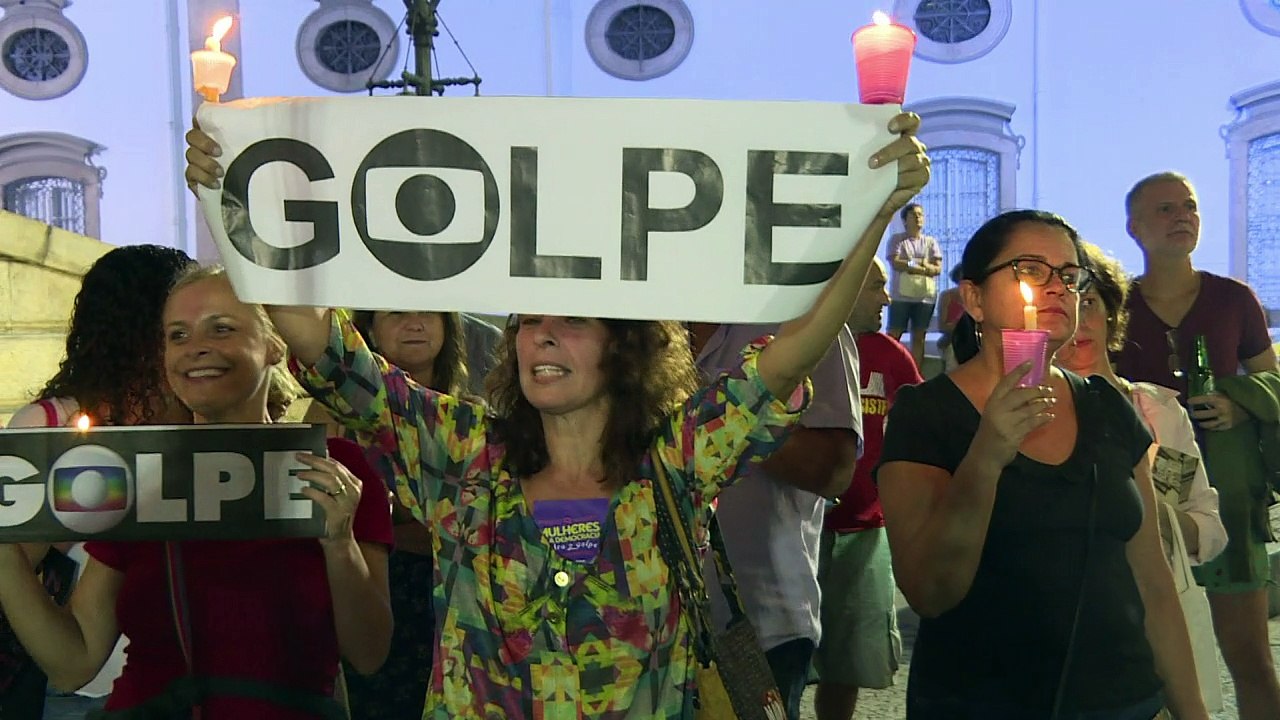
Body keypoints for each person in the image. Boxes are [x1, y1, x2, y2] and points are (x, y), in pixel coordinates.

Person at [184, 111, 930, 717]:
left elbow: (794, 354)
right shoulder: (464, 453)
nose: (539, 333)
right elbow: (317, 337)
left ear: (626, 348)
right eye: (528, 320)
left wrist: (878, 211)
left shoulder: (675, 460)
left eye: (569, 319)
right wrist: (231, 197)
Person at [0, 266, 394, 719]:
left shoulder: (336, 466)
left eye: (222, 328)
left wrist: (339, 545)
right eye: (177, 335)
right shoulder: (137, 471)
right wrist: (6, 554)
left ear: (274, 345)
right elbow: (75, 662)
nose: (196, 349)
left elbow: (369, 654)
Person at [877, 209, 1208, 719]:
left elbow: (1153, 583)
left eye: (1069, 274)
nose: (1056, 287)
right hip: (982, 704)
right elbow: (929, 591)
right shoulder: (927, 415)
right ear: (974, 299)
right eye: (1030, 269)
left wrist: (1193, 713)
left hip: (1125, 700)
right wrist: (986, 455)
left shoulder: (1106, 406)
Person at [1, 244, 195, 719]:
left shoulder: (198, 415)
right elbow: (16, 559)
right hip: (72, 680)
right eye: (177, 322)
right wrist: (77, 493)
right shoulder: (51, 425)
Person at [1114, 171, 1280, 720]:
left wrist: (1238, 400)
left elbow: (1274, 382)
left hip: (1230, 494)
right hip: (1149, 506)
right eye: (1164, 209)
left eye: (1189, 206)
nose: (1182, 214)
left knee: (1250, 657)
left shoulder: (1234, 299)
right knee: (1149, 659)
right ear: (1136, 228)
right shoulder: (1116, 307)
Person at [1057, 241, 1227, 710]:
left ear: (1113, 314)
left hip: (1159, 627)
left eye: (1088, 303)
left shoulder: (1159, 412)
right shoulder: (1032, 416)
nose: (1077, 322)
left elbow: (1210, 528)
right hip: (1070, 641)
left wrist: (1153, 514)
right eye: (1064, 305)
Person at [687, 314, 860, 720]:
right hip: (631, 626)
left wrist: (716, 409)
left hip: (760, 628)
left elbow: (833, 471)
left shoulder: (806, 323)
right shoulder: (631, 319)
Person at [342, 309, 469, 720]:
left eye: (428, 312)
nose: (415, 323)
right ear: (370, 331)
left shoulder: (474, 422)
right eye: (397, 313)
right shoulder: (335, 421)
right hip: (366, 597)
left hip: (452, 606)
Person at [813, 257, 919, 720]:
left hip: (866, 529)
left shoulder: (891, 355)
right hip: (801, 528)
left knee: (850, 659)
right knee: (783, 653)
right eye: (876, 286)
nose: (887, 297)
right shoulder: (803, 346)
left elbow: (920, 425)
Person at [885, 203, 942, 368]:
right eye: (914, 215)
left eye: (920, 215)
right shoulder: (897, 240)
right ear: (904, 220)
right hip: (900, 297)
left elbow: (937, 268)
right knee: (894, 334)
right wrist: (920, 266)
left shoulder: (931, 242)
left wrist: (918, 268)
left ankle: (915, 374)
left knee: (919, 336)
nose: (918, 218)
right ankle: (887, 369)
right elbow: (895, 262)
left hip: (925, 298)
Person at [935, 264, 965, 372]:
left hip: (973, 340)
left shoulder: (978, 297)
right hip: (951, 339)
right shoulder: (947, 296)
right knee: (953, 351)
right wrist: (961, 327)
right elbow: (942, 326)